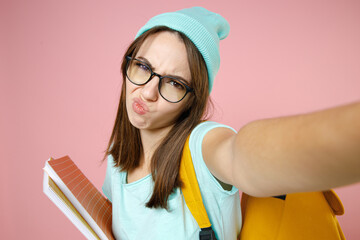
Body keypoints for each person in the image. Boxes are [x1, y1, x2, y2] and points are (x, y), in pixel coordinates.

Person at [101, 7, 360, 239]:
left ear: (192, 100)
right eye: (143, 67)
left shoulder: (201, 148)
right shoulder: (117, 160)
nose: (148, 92)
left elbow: (240, 156)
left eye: (174, 83)